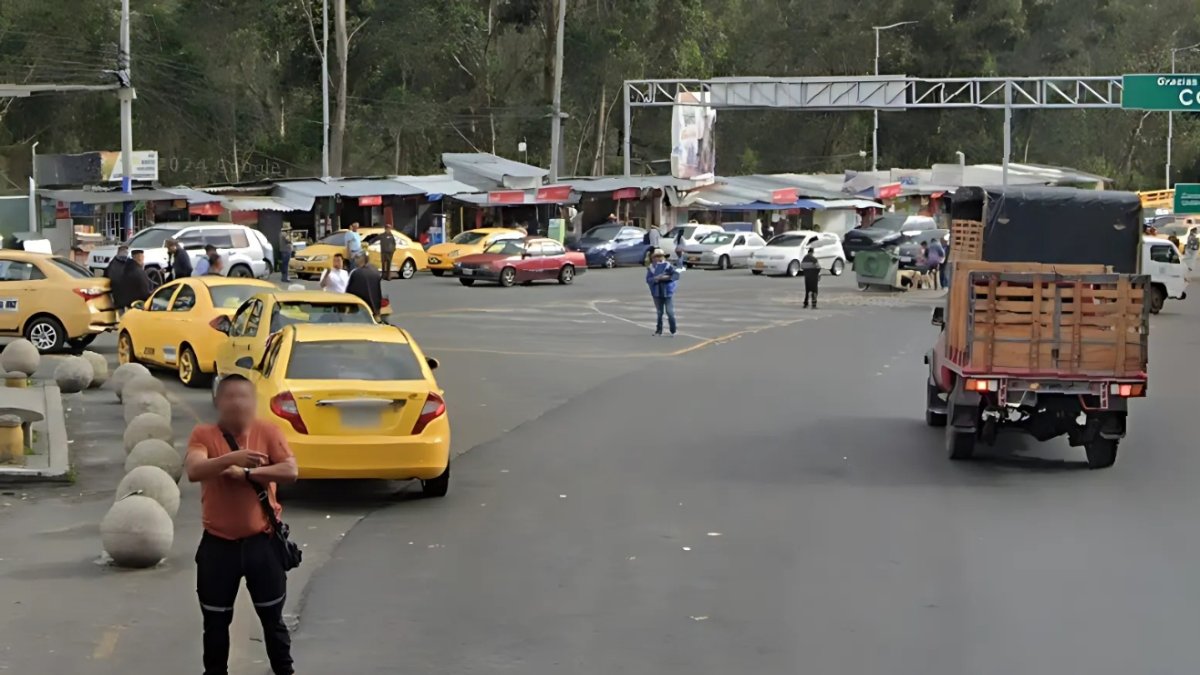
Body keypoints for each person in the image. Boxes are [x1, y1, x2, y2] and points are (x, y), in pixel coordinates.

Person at [185, 374, 299, 675]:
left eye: (243, 396)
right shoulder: (203, 434)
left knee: (272, 620)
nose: (237, 402)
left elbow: (290, 470)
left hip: (262, 543)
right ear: (218, 402)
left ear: (254, 402)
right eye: (230, 396)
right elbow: (194, 470)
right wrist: (230, 459)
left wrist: (248, 474)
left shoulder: (269, 432)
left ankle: (284, 671)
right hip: (218, 545)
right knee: (216, 623)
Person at [646, 248, 679, 337]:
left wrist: (666, 278)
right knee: (659, 312)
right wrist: (655, 279)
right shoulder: (651, 268)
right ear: (653, 258)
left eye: (660, 256)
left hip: (667, 291)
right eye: (656, 257)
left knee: (669, 312)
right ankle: (659, 330)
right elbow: (648, 280)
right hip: (656, 292)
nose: (658, 258)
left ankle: (673, 330)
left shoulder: (668, 266)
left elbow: (676, 275)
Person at [346, 252, 383, 318]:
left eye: (357, 258)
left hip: (361, 309)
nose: (355, 260)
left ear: (362, 259)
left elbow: (350, 291)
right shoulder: (375, 270)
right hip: (375, 308)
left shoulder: (356, 273)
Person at [105, 246, 131, 310]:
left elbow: (106, 275)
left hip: (115, 291)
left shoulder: (113, 262)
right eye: (125, 251)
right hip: (121, 291)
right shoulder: (127, 263)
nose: (126, 253)